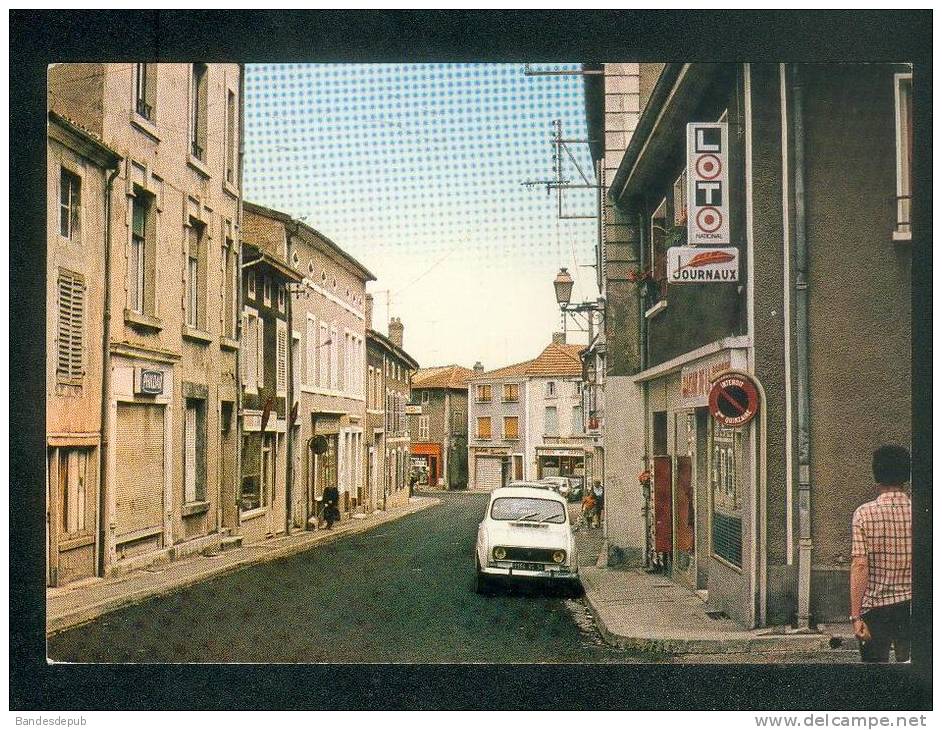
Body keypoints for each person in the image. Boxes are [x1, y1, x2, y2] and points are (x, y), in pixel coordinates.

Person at [850, 445, 912, 663]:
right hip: (912, 606)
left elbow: (860, 565)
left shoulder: (863, 514)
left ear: (877, 474)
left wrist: (856, 616)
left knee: (876, 675)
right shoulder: (922, 513)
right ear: (906, 474)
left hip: (876, 609)